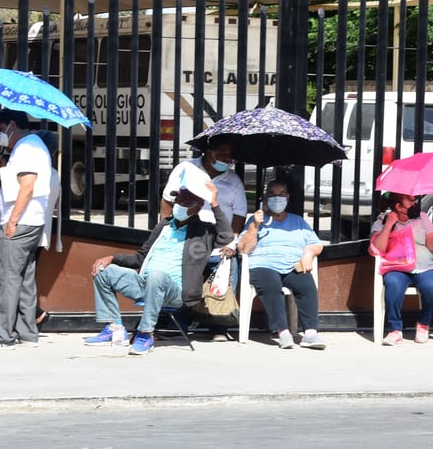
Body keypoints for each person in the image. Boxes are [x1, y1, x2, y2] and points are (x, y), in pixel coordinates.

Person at [85, 171, 233, 355]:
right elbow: (140, 257)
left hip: (176, 292)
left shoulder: (203, 232)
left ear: (197, 207)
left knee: (157, 276)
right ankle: (115, 329)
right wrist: (112, 258)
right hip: (145, 284)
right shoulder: (163, 226)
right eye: (177, 201)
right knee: (103, 271)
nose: (178, 206)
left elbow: (226, 236)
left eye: (185, 203)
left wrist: (215, 203)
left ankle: (145, 334)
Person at [0, 109, 52, 351]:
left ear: (11, 125)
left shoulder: (28, 147)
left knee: (8, 278)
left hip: (21, 221)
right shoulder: (31, 146)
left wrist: (12, 220)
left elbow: (27, 187)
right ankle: (27, 333)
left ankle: (3, 335)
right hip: (32, 220)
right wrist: (3, 167)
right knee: (25, 278)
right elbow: (19, 181)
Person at [160, 135, 247, 341]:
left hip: (218, 239)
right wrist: (167, 229)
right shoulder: (185, 169)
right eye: (222, 154)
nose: (227, 159)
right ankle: (176, 321)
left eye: (230, 156)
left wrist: (231, 242)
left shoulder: (233, 180)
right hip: (188, 236)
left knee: (225, 274)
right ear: (209, 154)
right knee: (180, 276)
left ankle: (218, 325)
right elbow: (166, 201)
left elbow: (239, 214)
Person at [237, 179, 326, 350]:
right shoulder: (256, 220)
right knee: (271, 286)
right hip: (264, 264)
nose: (277, 198)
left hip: (292, 264)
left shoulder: (298, 221)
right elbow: (245, 249)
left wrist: (309, 253)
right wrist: (255, 225)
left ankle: (310, 333)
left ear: (287, 197)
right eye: (272, 194)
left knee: (306, 285)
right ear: (266, 198)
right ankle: (283, 332)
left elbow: (316, 244)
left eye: (281, 194)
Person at [369, 192, 433, 346]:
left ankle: (424, 324)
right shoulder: (382, 221)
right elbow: (377, 250)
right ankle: (395, 329)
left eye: (415, 199)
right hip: (397, 267)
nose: (415, 201)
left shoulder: (422, 218)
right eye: (410, 200)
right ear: (398, 206)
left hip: (424, 266)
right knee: (393, 285)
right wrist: (389, 225)